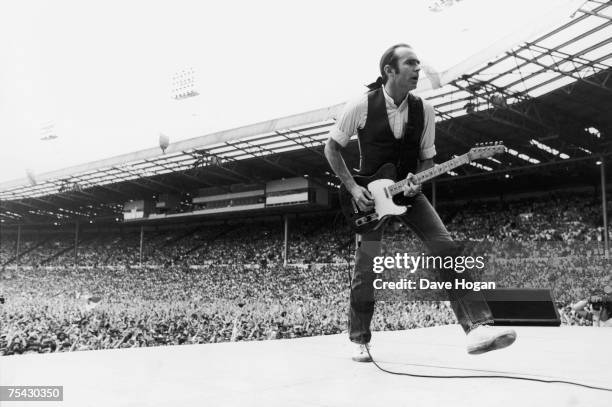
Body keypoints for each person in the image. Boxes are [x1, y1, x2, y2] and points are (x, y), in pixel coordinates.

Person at [324, 43, 517, 362]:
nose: (418, 69)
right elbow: (332, 149)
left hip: (410, 194)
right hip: (370, 198)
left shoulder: (424, 109)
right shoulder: (359, 105)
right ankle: (359, 338)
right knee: (366, 267)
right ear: (390, 70)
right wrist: (353, 189)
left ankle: (477, 327)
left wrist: (420, 179)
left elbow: (427, 159)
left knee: (448, 249)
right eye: (411, 63)